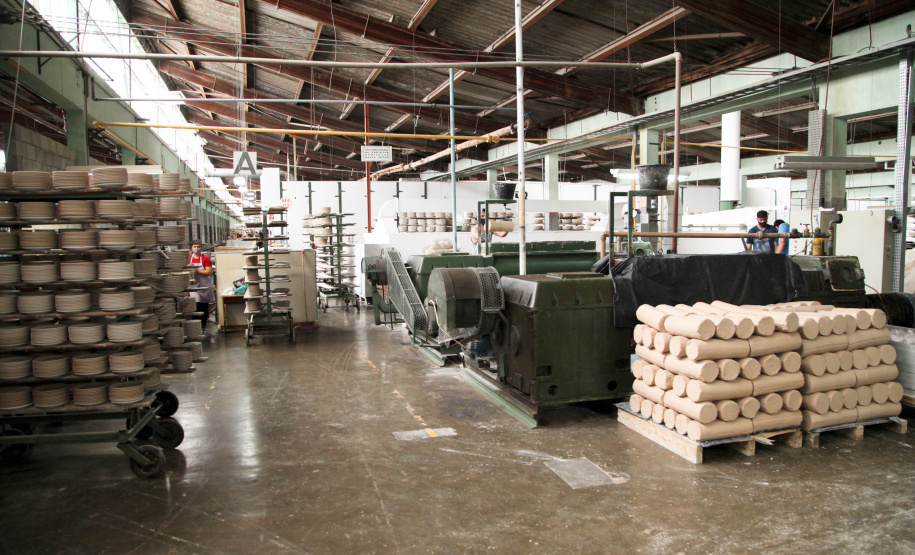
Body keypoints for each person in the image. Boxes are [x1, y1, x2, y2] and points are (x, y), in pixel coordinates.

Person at [189, 243, 216, 334]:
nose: (196, 248)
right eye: (194, 246)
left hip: (204, 285)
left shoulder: (205, 258)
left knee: (204, 306)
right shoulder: (189, 258)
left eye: (198, 247)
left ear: (201, 248)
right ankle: (195, 327)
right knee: (195, 305)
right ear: (191, 248)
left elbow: (208, 271)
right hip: (193, 286)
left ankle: (203, 326)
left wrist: (197, 271)